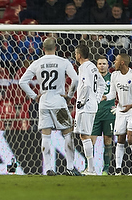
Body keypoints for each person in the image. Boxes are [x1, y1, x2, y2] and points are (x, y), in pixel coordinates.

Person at [19, 37, 81, 176]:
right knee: (67, 134)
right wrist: (70, 95)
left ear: (43, 48)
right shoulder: (63, 62)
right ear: (56, 48)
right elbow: (76, 79)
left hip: (44, 102)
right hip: (59, 101)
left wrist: (34, 96)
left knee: (46, 136)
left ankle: (48, 169)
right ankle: (70, 168)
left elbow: (22, 81)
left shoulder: (37, 63)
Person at [102, 53, 132, 176]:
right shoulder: (114, 76)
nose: (114, 62)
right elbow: (112, 94)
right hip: (121, 110)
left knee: (131, 138)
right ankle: (118, 170)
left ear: (122, 62)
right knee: (120, 139)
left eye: (116, 60)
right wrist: (105, 97)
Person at [73, 44, 106, 175]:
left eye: (76, 53)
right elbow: (102, 84)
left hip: (85, 106)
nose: (75, 55)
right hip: (92, 105)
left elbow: (86, 86)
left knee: (85, 135)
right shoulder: (93, 66)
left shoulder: (83, 67)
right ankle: (90, 168)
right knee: (84, 135)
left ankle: (91, 169)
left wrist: (82, 101)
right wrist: (96, 99)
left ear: (79, 55)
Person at [83, 56, 115, 175]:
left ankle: (106, 168)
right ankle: (88, 167)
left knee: (108, 140)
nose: (102, 65)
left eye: (104, 63)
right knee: (90, 141)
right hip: (94, 113)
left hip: (108, 113)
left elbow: (116, 93)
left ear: (108, 65)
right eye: (100, 63)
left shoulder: (112, 78)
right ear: (96, 66)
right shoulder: (92, 78)